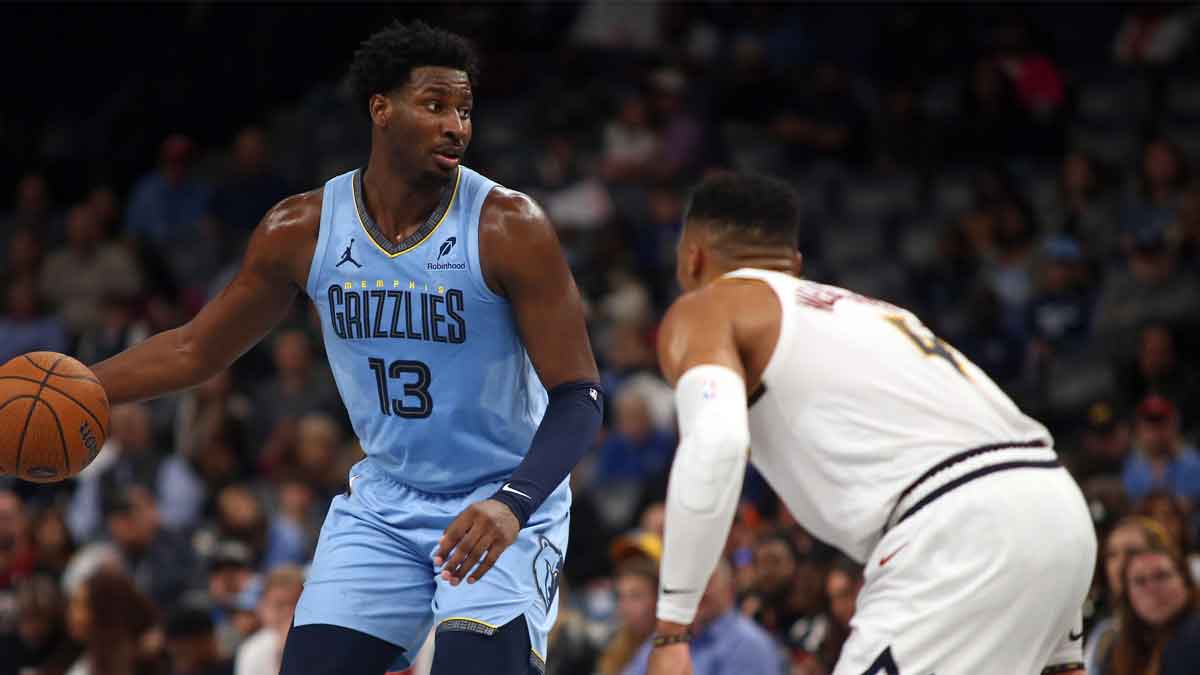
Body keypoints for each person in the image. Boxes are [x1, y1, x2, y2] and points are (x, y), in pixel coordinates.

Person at [85, 20, 601, 675]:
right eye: (435, 105)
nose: (456, 126)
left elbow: (579, 395)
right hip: (386, 502)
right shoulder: (301, 228)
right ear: (379, 108)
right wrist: (82, 384)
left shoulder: (508, 227)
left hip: (499, 500)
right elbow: (195, 349)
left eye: (464, 110)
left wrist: (513, 503)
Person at [645, 173, 1096, 675]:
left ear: (692, 258)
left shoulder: (707, 307)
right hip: (1056, 510)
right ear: (795, 266)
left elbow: (718, 444)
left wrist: (673, 628)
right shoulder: (881, 316)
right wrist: (1064, 648)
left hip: (956, 530)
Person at [1101, 545, 1200, 675]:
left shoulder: (1194, 635)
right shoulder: (1116, 649)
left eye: (1161, 576)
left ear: (1185, 582)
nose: (1152, 589)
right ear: (1127, 595)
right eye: (1140, 581)